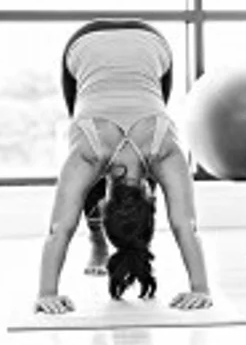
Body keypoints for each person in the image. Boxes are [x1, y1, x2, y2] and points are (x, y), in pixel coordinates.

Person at [35, 19, 212, 314]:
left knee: (86, 171)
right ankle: (98, 240)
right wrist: (201, 289)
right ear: (106, 204)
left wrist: (47, 293)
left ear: (150, 200)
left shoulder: (162, 152)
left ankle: (99, 242)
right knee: (87, 167)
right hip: (93, 44)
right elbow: (185, 225)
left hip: (147, 42)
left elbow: (58, 230)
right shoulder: (91, 155)